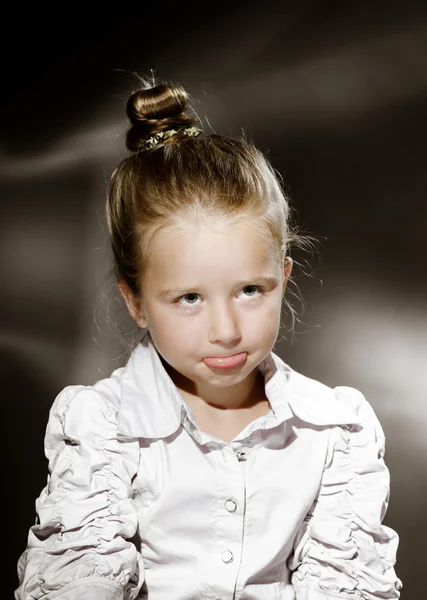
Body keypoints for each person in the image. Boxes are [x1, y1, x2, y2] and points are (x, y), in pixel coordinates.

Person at [15, 76, 402, 600]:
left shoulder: (337, 433)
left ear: (284, 278)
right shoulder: (103, 430)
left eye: (249, 290)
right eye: (189, 298)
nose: (225, 331)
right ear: (135, 302)